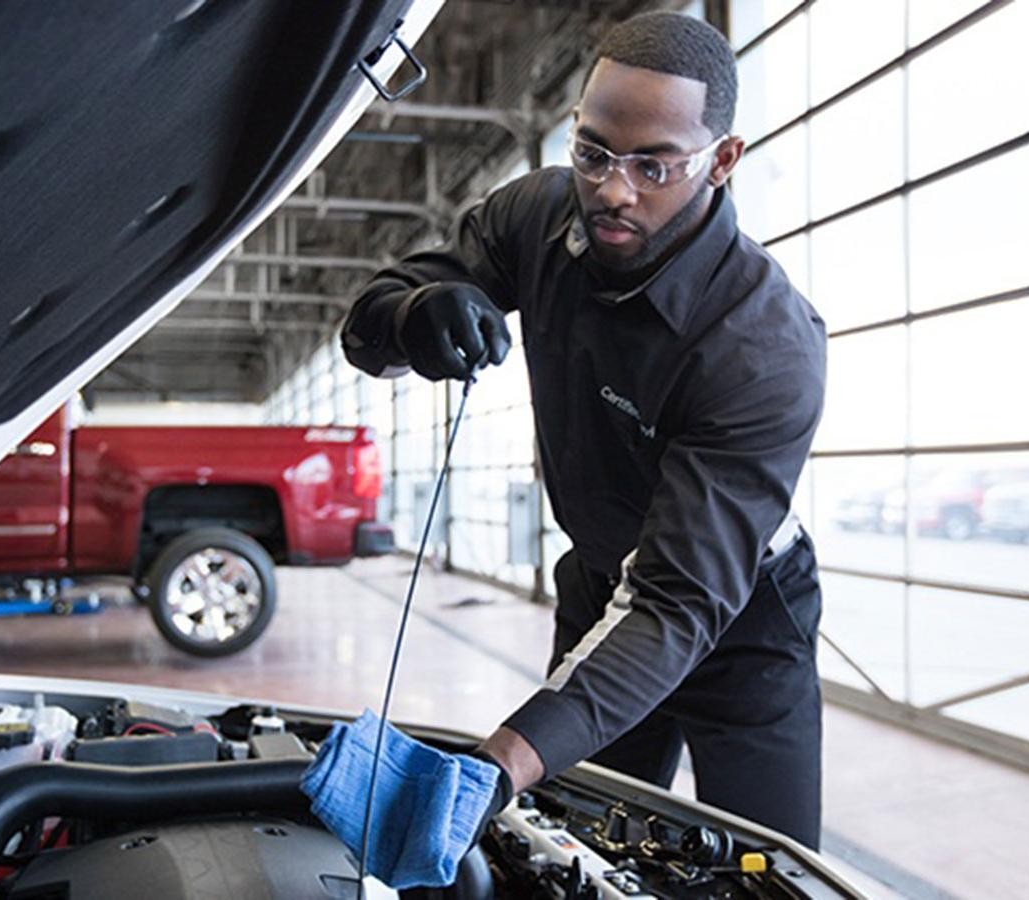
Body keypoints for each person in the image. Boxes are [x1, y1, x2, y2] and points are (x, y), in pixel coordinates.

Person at [333, 9, 827, 867]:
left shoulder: (762, 345)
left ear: (722, 160)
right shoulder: (537, 214)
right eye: (592, 151)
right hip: (601, 583)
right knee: (576, 852)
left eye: (653, 165)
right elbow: (363, 330)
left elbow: (676, 603)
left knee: (766, 869)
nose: (612, 189)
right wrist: (412, 314)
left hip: (739, 621)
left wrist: (496, 766)